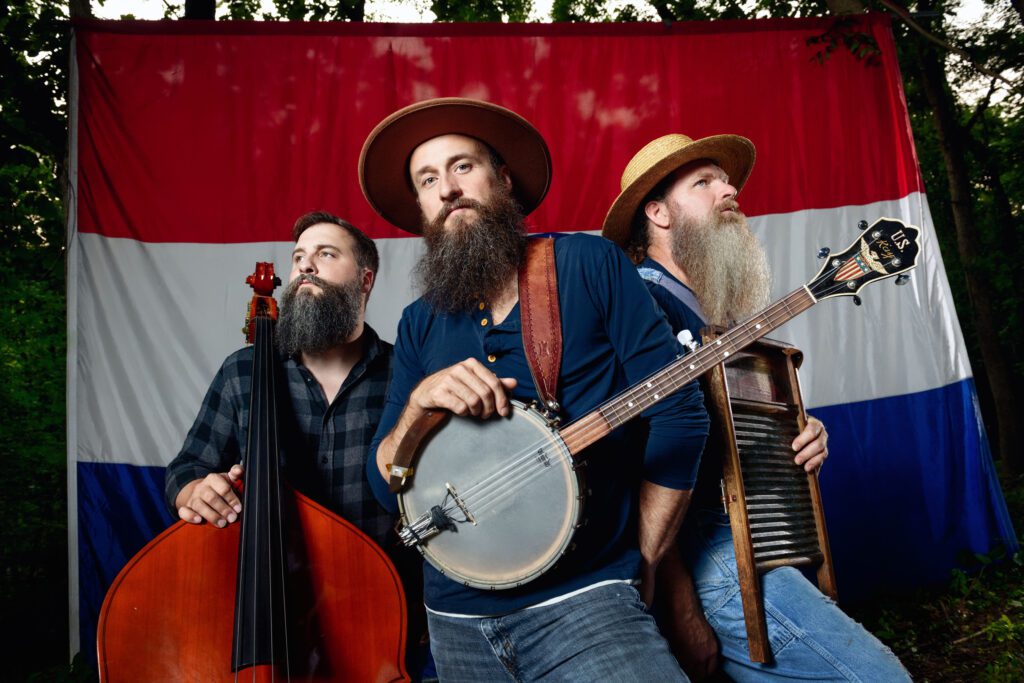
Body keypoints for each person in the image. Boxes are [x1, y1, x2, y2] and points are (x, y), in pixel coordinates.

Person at [359, 98, 709, 681]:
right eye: (428, 179)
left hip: (587, 602)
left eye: (462, 166)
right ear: (422, 206)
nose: (447, 188)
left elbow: (680, 414)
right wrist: (418, 406)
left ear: (504, 180)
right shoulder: (418, 323)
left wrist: (643, 557)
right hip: (453, 619)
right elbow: (383, 481)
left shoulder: (587, 263)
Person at [602, 133, 911, 681]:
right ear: (657, 213)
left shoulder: (715, 317)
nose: (729, 190)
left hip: (751, 538)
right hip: (705, 554)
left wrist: (802, 432)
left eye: (727, 180)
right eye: (704, 182)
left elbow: (737, 430)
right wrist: (681, 605)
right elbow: (639, 464)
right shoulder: (641, 305)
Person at [163, 211, 427, 673]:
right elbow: (185, 468)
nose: (306, 266)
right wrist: (196, 490)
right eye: (299, 256)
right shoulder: (243, 371)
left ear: (364, 280)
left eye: (326, 254)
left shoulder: (404, 376)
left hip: (379, 612)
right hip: (266, 604)